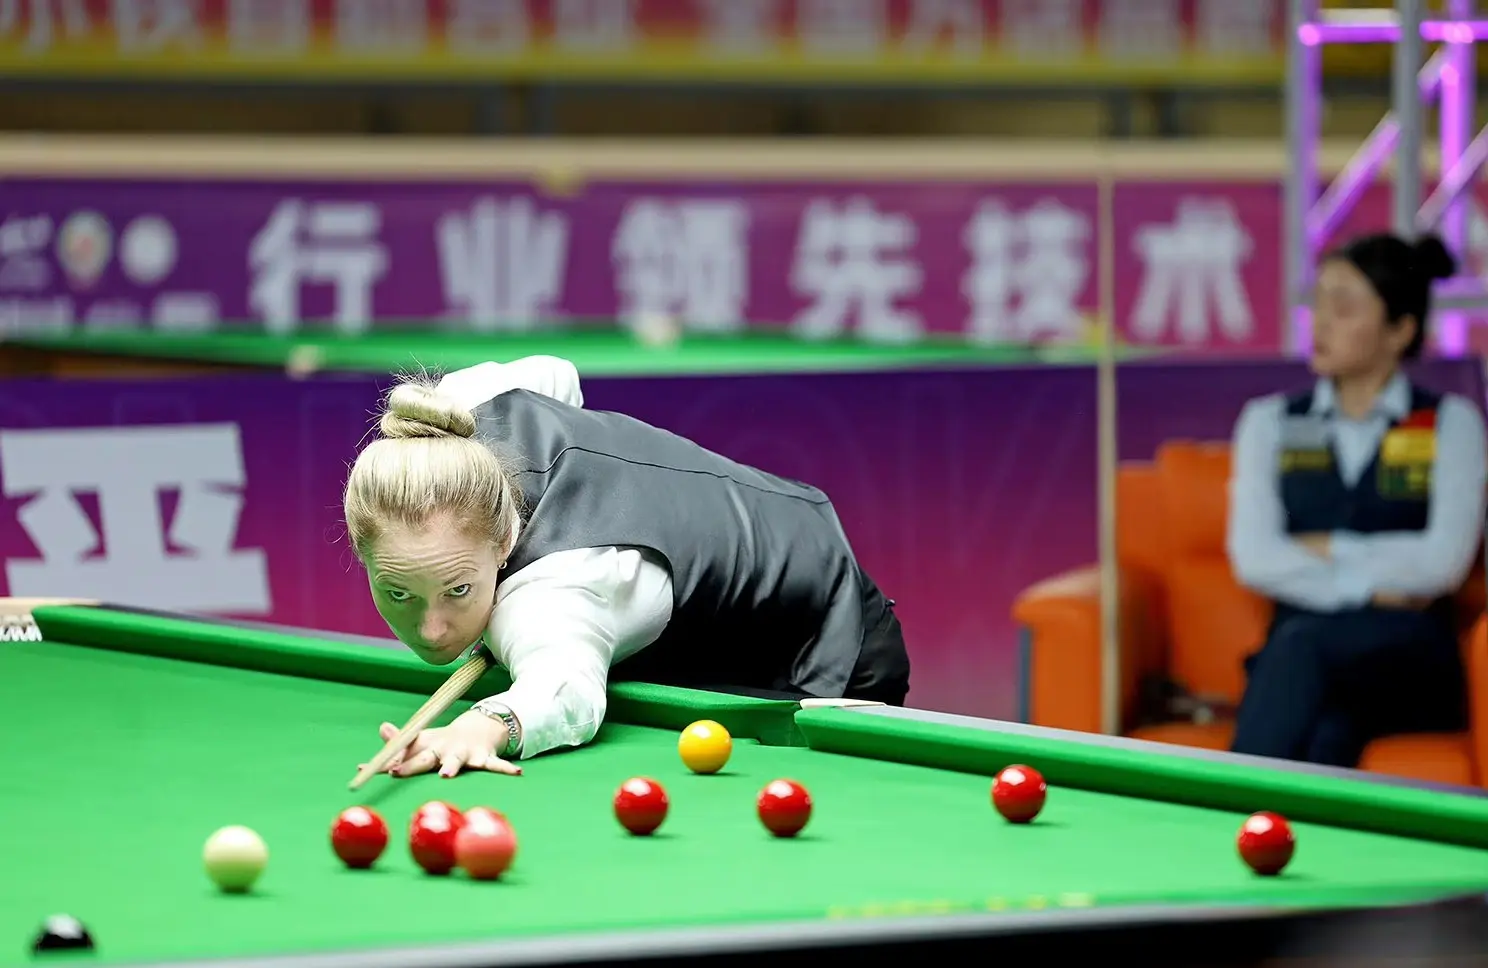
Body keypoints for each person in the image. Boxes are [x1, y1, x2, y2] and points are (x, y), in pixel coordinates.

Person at [342, 355, 910, 780]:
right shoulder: (446, 418)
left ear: (502, 540)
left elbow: (566, 691)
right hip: (745, 545)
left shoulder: (557, 591)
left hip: (826, 633)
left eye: (458, 589)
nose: (432, 629)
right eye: (399, 594)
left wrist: (484, 726)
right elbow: (557, 375)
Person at [1225, 231, 1488, 767]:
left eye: (1343, 308)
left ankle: (1223, 808)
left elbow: (1444, 563)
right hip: (1307, 662)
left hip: (1408, 659)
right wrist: (1375, 584)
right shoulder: (1269, 421)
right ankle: (1261, 821)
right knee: (1327, 730)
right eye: (1318, 303)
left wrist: (1330, 549)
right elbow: (1254, 557)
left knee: (1300, 645)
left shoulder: (1451, 423)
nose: (1320, 323)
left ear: (1399, 330)